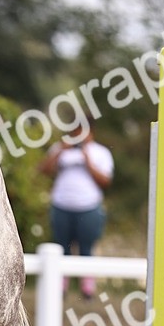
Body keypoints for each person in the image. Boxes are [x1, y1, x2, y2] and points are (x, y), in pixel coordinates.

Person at [38, 117, 114, 298]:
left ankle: (87, 288)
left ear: (91, 132)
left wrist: (87, 160)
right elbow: (43, 170)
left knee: (86, 248)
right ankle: (60, 287)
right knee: (61, 247)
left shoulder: (100, 152)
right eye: (75, 132)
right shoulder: (60, 149)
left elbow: (105, 181)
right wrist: (60, 151)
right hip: (61, 205)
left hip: (88, 207)